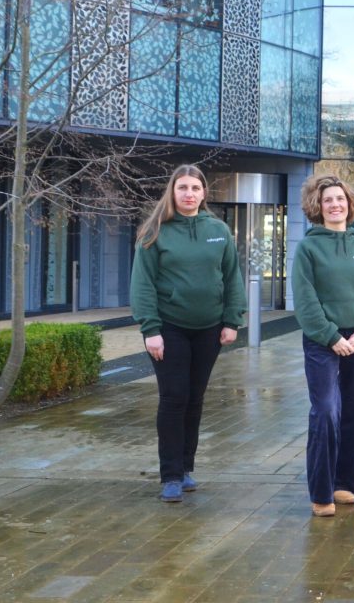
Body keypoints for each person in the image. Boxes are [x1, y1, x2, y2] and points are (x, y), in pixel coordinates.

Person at [130, 165, 245, 502]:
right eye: (182, 187)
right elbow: (142, 284)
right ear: (173, 191)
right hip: (169, 328)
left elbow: (232, 277)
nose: (189, 193)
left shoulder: (218, 230)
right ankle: (170, 476)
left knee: (195, 399)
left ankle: (187, 468)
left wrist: (231, 321)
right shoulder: (155, 231)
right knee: (174, 397)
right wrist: (150, 329)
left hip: (209, 329)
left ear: (203, 193)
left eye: (195, 187)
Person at [291, 175, 354, 517]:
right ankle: (321, 492)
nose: (335, 205)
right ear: (318, 206)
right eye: (328, 200)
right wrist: (333, 337)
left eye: (340, 199)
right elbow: (305, 301)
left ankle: (344, 483)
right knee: (327, 412)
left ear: (349, 204)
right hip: (322, 342)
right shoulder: (308, 248)